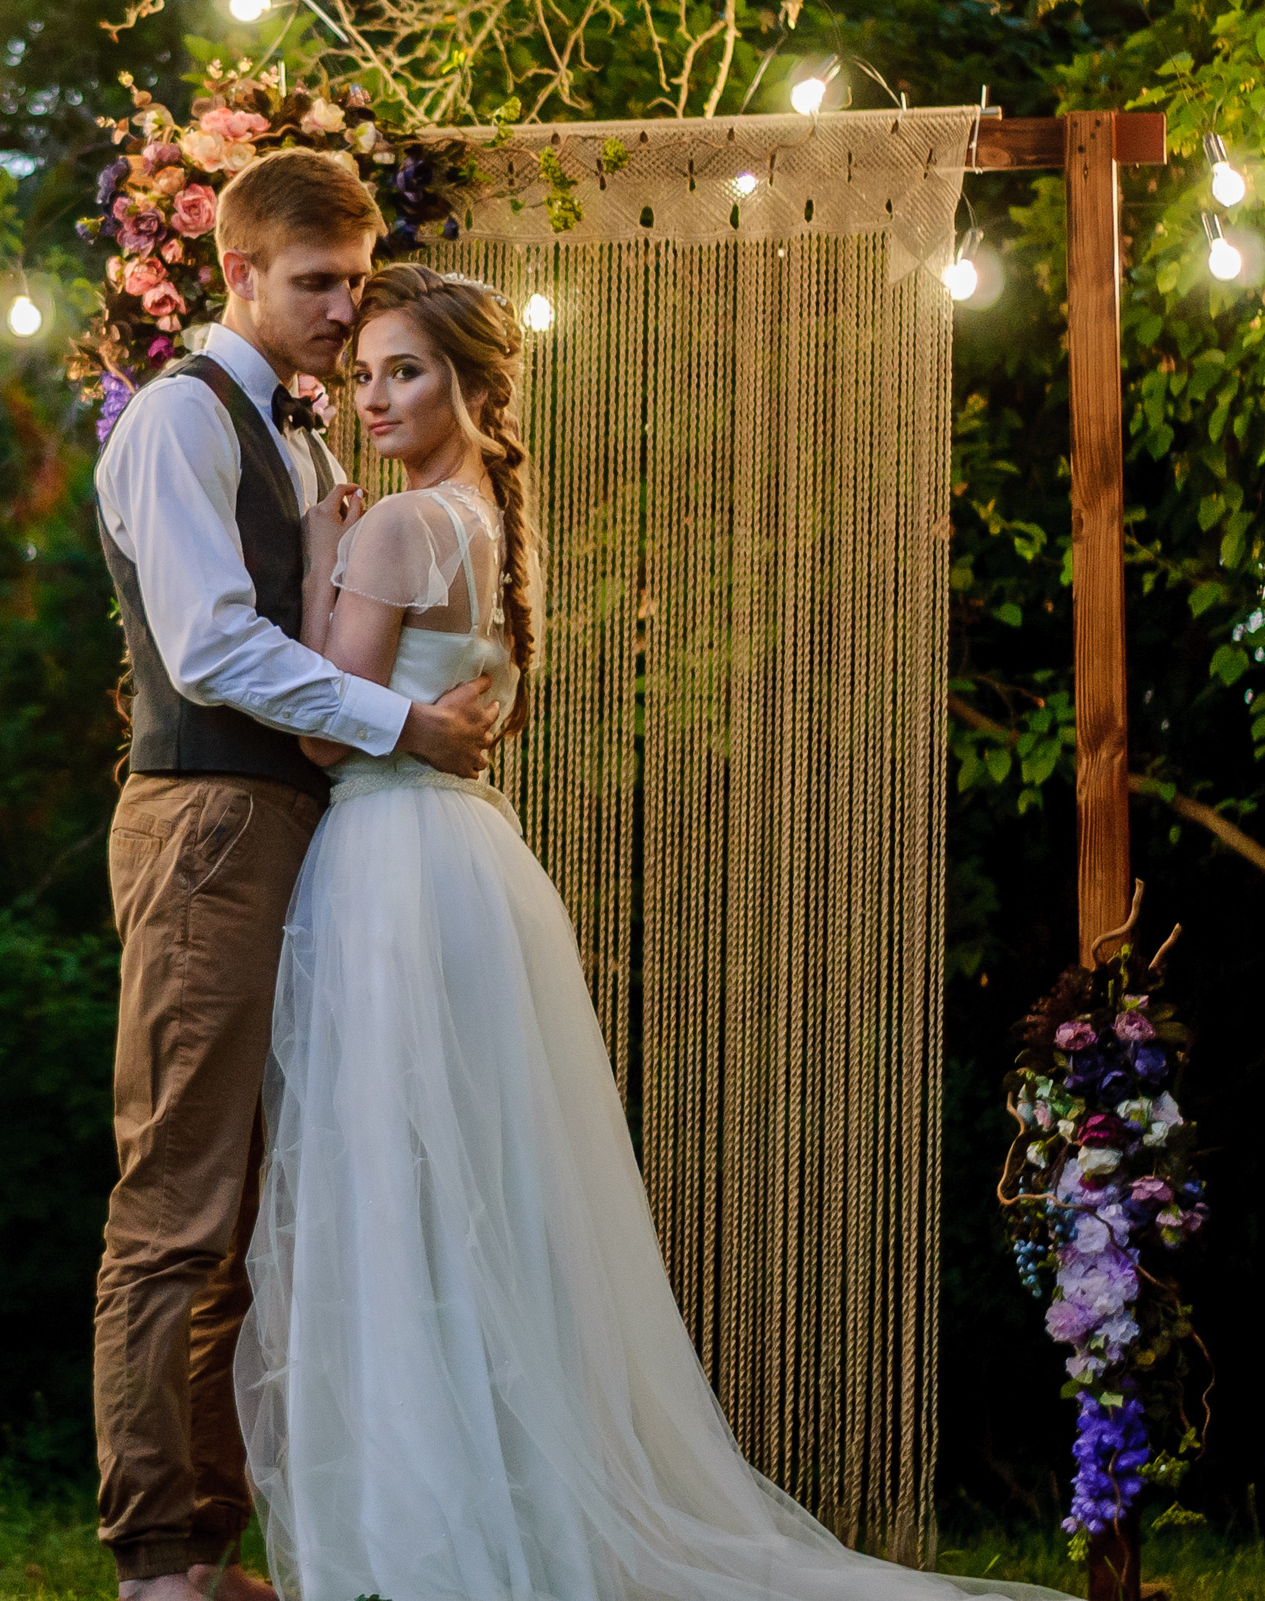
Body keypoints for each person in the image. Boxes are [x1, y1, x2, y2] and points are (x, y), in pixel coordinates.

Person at [232, 264, 1075, 1601]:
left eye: (407, 370)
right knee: (479, 1196)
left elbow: (321, 719)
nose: (376, 395)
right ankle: (487, 1504)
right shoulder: (496, 518)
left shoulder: (395, 532)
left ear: (467, 383)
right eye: (370, 370)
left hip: (393, 858)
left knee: (395, 1190)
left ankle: (422, 1534)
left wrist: (325, 552)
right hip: (475, 866)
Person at [92, 153, 501, 1601]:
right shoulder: (173, 424)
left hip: (297, 829)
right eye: (315, 281)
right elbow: (206, 644)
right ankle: (158, 1557)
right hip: (206, 821)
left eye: (354, 274)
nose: (342, 307)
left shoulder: (311, 438)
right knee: (179, 1198)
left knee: (262, 1205)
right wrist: (403, 725)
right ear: (240, 277)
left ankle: (212, 1542)